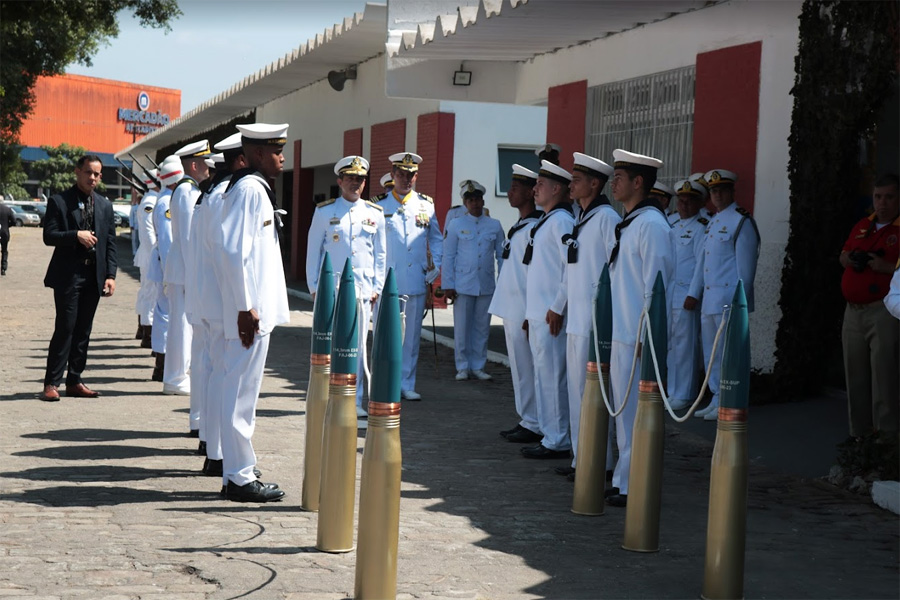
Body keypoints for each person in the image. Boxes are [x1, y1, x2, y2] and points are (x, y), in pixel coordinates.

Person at [216, 122, 291, 502]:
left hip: (253, 312)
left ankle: (236, 472)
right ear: (258, 154)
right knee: (241, 395)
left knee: (239, 393)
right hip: (250, 314)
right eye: (276, 151)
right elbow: (233, 252)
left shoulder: (251, 188)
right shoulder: (249, 190)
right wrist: (246, 308)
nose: (282, 157)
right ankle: (241, 477)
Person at [606, 149, 674, 506]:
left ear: (638, 183)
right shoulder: (632, 221)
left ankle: (634, 485)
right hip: (622, 331)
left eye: (621, 177)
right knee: (623, 414)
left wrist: (649, 335)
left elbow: (657, 288)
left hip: (637, 334)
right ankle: (623, 480)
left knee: (634, 415)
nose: (613, 182)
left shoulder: (651, 225)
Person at [306, 154, 387, 420]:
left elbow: (380, 254)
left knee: (358, 347)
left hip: (362, 291)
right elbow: (313, 252)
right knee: (331, 348)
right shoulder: (325, 211)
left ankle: (355, 400)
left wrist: (377, 287)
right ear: (340, 181)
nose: (355, 183)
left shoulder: (374, 213)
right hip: (332, 292)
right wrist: (315, 288)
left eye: (360, 179)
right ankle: (332, 397)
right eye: (350, 178)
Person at [39, 155, 118, 402]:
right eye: (88, 173)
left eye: (96, 174)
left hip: (93, 275)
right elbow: (49, 235)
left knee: (84, 330)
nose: (92, 178)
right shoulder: (60, 201)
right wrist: (76, 235)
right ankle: (52, 383)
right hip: (68, 275)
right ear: (77, 172)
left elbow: (110, 243)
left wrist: (111, 275)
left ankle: (74, 379)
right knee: (66, 327)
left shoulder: (104, 205)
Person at [559, 152, 619, 477]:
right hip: (577, 320)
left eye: (577, 180)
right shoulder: (581, 218)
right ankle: (580, 458)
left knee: (593, 395)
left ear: (594, 184)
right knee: (576, 393)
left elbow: (615, 268)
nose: (571, 185)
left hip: (595, 321)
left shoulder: (607, 218)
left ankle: (599, 462)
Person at [686, 169, 760, 421]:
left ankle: (729, 398)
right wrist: (694, 293)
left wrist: (740, 304)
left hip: (728, 300)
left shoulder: (741, 221)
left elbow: (746, 271)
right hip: (710, 300)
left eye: (721, 190)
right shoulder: (714, 222)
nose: (716, 195)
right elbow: (702, 263)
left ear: (731, 192)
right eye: (713, 191)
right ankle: (716, 396)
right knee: (712, 352)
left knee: (728, 353)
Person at [195, 134, 246, 479]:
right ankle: (217, 454)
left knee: (215, 373)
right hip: (221, 300)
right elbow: (228, 252)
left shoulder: (211, 194)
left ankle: (213, 449)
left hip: (209, 297)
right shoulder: (226, 195)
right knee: (224, 377)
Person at [376, 151, 442, 399]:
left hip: (416, 279)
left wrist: (436, 264)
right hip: (387, 281)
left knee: (412, 337)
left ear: (416, 177)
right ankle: (385, 379)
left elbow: (436, 237)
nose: (406, 179)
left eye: (411, 175)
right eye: (401, 174)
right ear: (393, 175)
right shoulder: (380, 205)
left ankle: (407, 383)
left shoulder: (426, 205)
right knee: (388, 334)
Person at [521, 160, 575, 460]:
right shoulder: (547, 220)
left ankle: (557, 438)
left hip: (552, 314)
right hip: (538, 313)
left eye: (541, 184)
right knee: (544, 374)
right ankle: (549, 431)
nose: (535, 188)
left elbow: (570, 269)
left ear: (557, 189)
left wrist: (557, 306)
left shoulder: (562, 221)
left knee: (553, 376)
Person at [838, 173, 899, 438]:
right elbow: (842, 256)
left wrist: (884, 266)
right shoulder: (862, 225)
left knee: (884, 379)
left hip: (883, 311)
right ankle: (859, 439)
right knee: (856, 378)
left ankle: (886, 444)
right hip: (853, 312)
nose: (882, 203)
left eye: (889, 197)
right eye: (877, 197)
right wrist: (852, 259)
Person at [491, 165, 543, 444]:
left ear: (530, 192)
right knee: (521, 369)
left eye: (516, 188)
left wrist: (528, 313)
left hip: (524, 309)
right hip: (513, 308)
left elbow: (535, 274)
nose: (510, 192)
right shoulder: (522, 225)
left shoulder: (535, 226)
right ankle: (527, 418)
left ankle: (535, 422)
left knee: (530, 369)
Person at [164, 140, 211, 409]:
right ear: (194, 165)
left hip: (184, 269)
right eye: (204, 163)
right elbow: (188, 237)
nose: (208, 167)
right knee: (181, 326)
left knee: (182, 325)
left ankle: (177, 375)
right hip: (185, 270)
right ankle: (176, 376)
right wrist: (197, 274)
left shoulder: (188, 189)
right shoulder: (186, 191)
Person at [442, 179, 504, 381]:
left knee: (482, 328)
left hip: (485, 283)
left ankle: (478, 365)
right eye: (471, 200)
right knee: (461, 328)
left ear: (483, 200)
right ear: (465, 203)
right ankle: (462, 366)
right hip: (463, 284)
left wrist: (503, 283)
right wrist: (448, 285)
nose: (475, 203)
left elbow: (501, 255)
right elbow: (448, 255)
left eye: (478, 199)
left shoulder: (494, 225)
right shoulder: (456, 224)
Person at [667, 179, 708, 410]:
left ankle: (685, 392)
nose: (683, 205)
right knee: (672, 344)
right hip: (671, 292)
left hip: (686, 294)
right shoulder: (672, 224)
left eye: (689, 201)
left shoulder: (702, 226)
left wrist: (694, 293)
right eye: (681, 201)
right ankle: (673, 389)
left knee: (686, 345)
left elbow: (701, 263)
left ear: (699, 203)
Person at [149, 155, 183, 382]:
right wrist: (171, 273)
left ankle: (162, 362)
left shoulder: (164, 198)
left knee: (164, 313)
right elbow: (168, 241)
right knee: (165, 315)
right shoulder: (167, 202)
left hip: (163, 264)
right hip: (165, 265)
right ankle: (161, 364)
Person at [134, 169, 159, 349]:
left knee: (146, 293)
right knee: (151, 295)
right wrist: (157, 255)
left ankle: (143, 329)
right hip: (151, 255)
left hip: (148, 254)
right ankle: (148, 335)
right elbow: (150, 233)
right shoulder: (151, 202)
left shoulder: (149, 200)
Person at [0, 200, 13, 276]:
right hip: (4, 232)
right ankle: (3, 268)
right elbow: (14, 221)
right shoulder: (7, 209)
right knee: (4, 251)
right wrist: (7, 226)